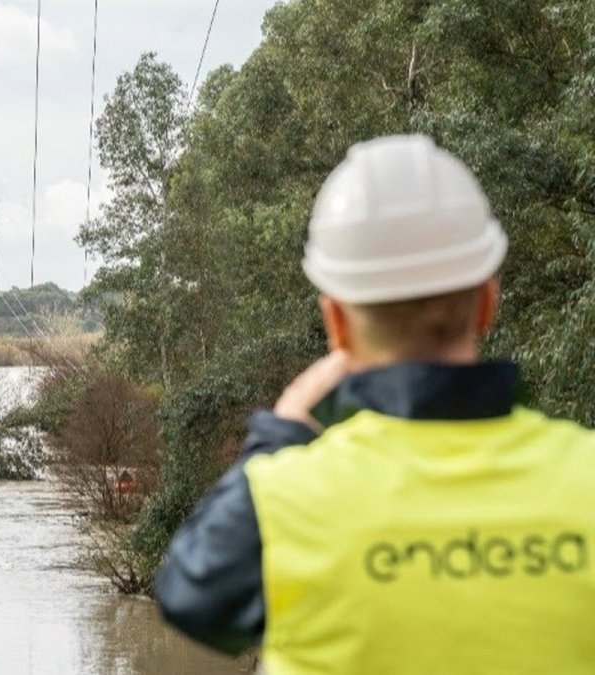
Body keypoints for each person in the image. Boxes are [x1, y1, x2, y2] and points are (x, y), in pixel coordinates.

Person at [155, 134, 595, 673]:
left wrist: (282, 431)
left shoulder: (286, 500)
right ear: (487, 302)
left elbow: (191, 594)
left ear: (335, 322)